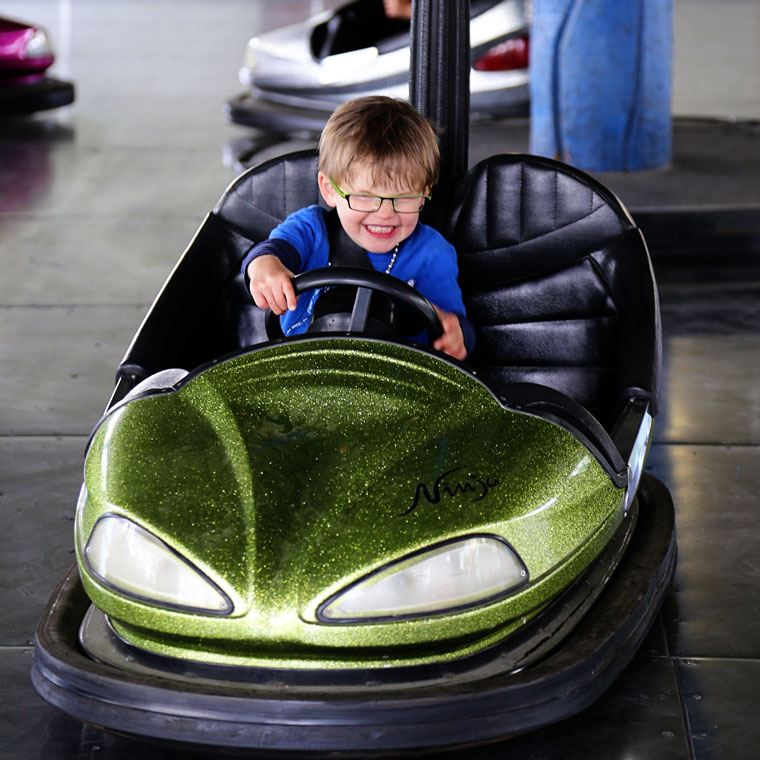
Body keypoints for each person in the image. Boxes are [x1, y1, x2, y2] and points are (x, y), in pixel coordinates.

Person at [241, 96, 474, 360]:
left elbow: (456, 328)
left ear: (424, 194)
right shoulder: (311, 229)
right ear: (330, 190)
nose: (386, 213)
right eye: (364, 196)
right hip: (303, 369)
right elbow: (270, 252)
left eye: (404, 197)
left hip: (397, 383)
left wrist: (456, 334)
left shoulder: (432, 254)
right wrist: (264, 266)